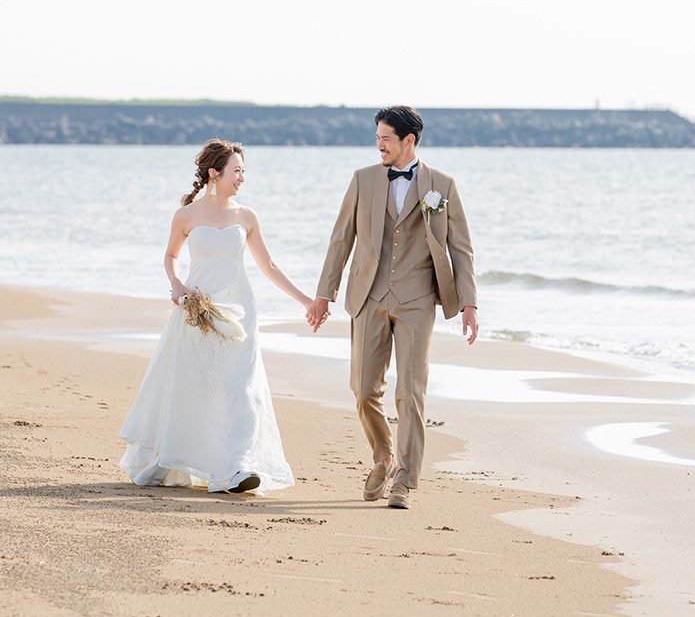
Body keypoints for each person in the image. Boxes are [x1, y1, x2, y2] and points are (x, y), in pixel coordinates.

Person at [306, 106, 478, 509]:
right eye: (377, 137)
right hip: (368, 296)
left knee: (410, 391)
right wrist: (323, 294)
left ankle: (404, 478)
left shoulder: (443, 185)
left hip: (418, 300)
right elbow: (340, 240)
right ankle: (383, 455)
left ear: (409, 141)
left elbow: (461, 248)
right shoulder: (363, 180)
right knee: (364, 389)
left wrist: (469, 303)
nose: (379, 144)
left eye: (386, 138)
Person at [120, 139, 314, 495]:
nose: (242, 177)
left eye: (243, 170)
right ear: (215, 173)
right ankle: (196, 460)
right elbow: (169, 256)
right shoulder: (186, 215)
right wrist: (177, 286)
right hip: (198, 308)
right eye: (236, 170)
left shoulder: (246, 216)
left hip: (240, 309)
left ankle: (238, 466)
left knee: (241, 385)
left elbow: (268, 265)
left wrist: (307, 301)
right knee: (198, 385)